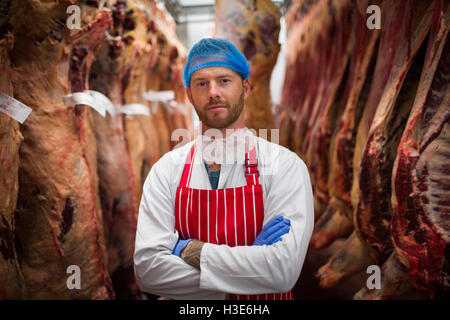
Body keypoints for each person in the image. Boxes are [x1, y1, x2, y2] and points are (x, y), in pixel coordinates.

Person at [134, 38, 314, 300]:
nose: (213, 92)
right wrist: (251, 269)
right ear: (189, 95)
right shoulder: (166, 171)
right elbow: (148, 272)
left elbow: (282, 271)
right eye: (201, 83)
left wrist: (189, 250)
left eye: (224, 81)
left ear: (246, 87)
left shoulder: (284, 166)